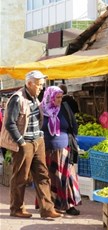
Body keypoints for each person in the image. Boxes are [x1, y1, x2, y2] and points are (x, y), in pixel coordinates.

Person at [0, 70, 62, 218]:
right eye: (39, 85)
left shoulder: (35, 97)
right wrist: (21, 142)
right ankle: (17, 208)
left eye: (42, 85)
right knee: (21, 177)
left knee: (43, 175)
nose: (42, 87)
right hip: (24, 143)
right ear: (29, 84)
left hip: (37, 141)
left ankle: (47, 209)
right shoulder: (17, 98)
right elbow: (9, 123)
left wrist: (39, 135)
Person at [41, 86, 81, 215]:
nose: (59, 100)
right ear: (50, 97)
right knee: (49, 178)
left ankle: (69, 205)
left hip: (64, 148)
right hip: (46, 149)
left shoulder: (64, 108)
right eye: (57, 97)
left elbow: (73, 126)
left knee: (67, 176)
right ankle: (51, 205)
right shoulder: (41, 110)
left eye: (60, 97)